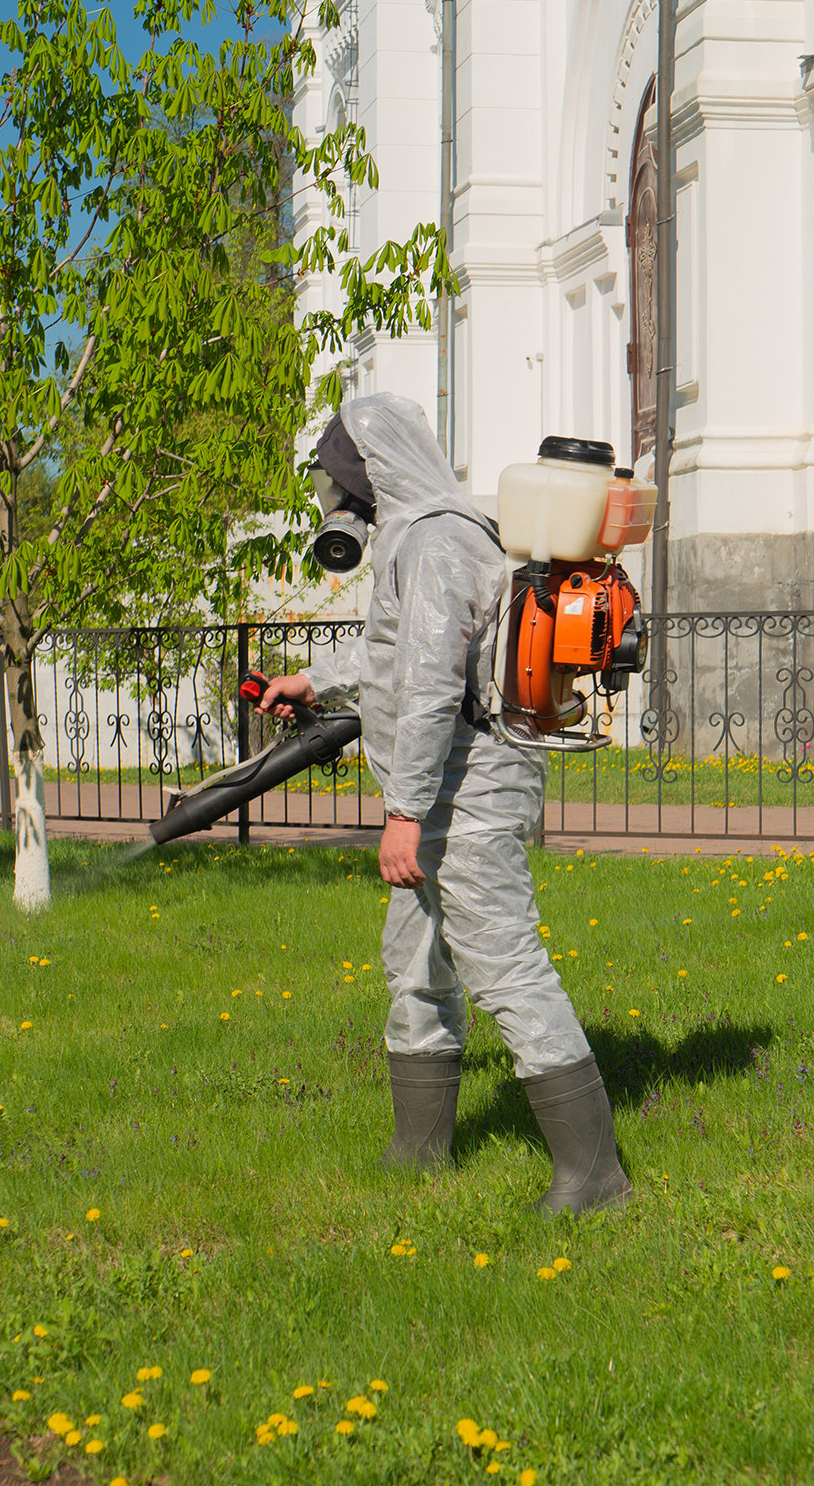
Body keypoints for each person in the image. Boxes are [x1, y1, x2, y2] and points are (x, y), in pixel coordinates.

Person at [257, 393, 630, 1216]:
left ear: (372, 471)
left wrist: (405, 811)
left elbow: (427, 684)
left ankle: (594, 1173)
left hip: (465, 795)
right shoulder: (426, 536)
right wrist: (312, 680)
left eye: (341, 480)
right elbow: (393, 648)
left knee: (503, 962)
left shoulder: (434, 539)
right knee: (416, 961)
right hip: (442, 794)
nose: (338, 499)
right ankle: (418, 1149)